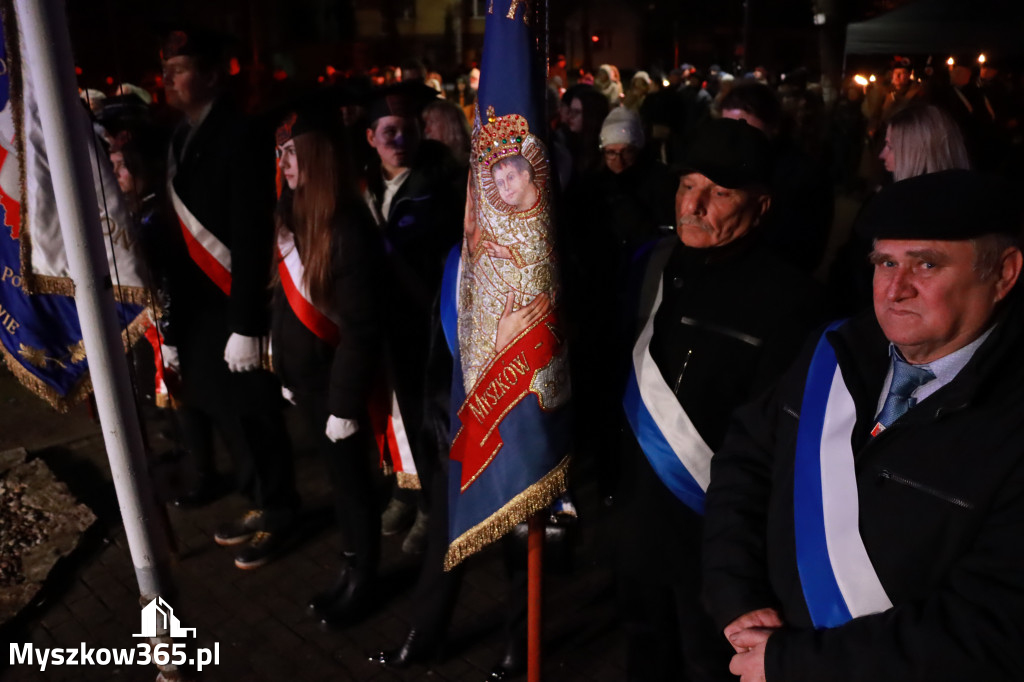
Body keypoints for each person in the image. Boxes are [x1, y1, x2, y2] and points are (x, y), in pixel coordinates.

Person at [704, 168, 1024, 681]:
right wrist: (736, 595)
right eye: (885, 262)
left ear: (1003, 273)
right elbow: (743, 465)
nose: (896, 289)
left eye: (926, 264)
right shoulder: (832, 351)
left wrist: (795, 663)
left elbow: (991, 627)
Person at [615, 118, 824, 682]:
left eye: (720, 193)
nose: (695, 204)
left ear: (761, 206)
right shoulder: (660, 265)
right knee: (644, 650)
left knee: (706, 663)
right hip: (640, 518)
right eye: (688, 185)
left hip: (714, 537)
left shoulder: (791, 300)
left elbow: (777, 438)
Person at [159, 28, 298, 569]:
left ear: (214, 74)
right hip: (198, 307)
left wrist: (246, 320)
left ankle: (281, 509)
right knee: (225, 412)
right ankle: (258, 499)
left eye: (182, 67)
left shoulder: (240, 132)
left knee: (255, 414)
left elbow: (248, 230)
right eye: (167, 68)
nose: (169, 78)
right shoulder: (180, 137)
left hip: (230, 304)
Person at [271, 108, 385, 624]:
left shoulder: (346, 225)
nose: (284, 162)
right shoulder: (293, 213)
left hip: (339, 386)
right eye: (281, 153)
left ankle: (366, 576)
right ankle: (349, 563)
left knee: (353, 484)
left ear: (316, 156)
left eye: (292, 152)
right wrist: (287, 371)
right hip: (311, 380)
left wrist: (343, 404)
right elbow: (285, 303)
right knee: (338, 484)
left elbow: (362, 326)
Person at [361, 82, 464, 555]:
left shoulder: (442, 183)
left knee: (423, 417)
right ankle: (404, 490)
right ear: (370, 137)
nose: (398, 140)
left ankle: (430, 506)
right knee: (388, 414)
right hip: (377, 323)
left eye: (406, 130)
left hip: (422, 322)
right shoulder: (361, 184)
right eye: (388, 131)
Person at [878, 103, 971, 181]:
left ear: (919, 153)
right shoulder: (974, 192)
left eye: (890, 146)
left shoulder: (898, 200)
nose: (881, 155)